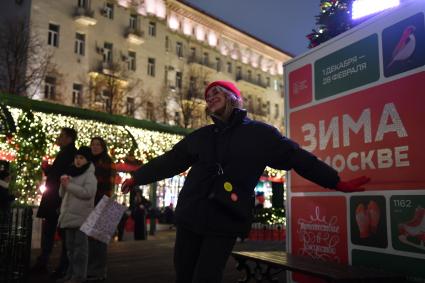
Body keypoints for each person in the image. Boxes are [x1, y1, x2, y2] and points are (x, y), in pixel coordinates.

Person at [121, 80, 370, 283]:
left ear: (233, 98)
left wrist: (335, 181)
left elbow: (297, 157)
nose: (210, 97)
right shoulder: (201, 136)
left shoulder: (260, 134)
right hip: (190, 216)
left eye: (216, 92)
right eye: (207, 97)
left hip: (226, 218)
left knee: (206, 277)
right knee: (184, 275)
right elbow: (170, 161)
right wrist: (138, 177)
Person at [33, 128, 77, 276]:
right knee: (57, 232)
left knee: (58, 232)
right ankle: (52, 264)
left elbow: (62, 175)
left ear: (69, 139)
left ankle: (57, 265)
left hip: (57, 199)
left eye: (62, 136)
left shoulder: (69, 154)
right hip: (57, 198)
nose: (59, 138)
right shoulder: (68, 153)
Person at [58, 146, 97, 283]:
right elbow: (62, 195)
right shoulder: (71, 172)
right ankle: (71, 273)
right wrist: (63, 185)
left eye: (81, 158)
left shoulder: (90, 175)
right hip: (69, 215)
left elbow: (88, 193)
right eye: (77, 157)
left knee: (80, 249)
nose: (78, 160)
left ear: (87, 160)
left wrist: (68, 186)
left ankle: (79, 276)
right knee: (70, 248)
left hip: (81, 216)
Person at [86, 137, 116, 281]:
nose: (94, 147)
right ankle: (92, 270)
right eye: (92, 144)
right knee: (91, 240)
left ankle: (98, 272)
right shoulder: (90, 161)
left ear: (103, 146)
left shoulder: (107, 161)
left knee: (98, 241)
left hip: (103, 203)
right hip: (92, 202)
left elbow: (109, 187)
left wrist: (104, 204)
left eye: (98, 144)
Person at [0, 160, 15, 225]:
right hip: (2, 213)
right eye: (8, 178)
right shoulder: (2, 187)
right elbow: (3, 198)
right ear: (5, 178)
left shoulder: (5, 186)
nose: (9, 179)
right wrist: (13, 196)